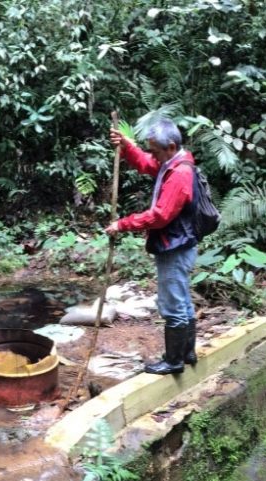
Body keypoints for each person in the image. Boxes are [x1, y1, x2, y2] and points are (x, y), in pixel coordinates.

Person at [106, 118, 200, 375]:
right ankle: (187, 353)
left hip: (175, 247)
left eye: (156, 151)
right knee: (181, 300)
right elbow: (147, 164)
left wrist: (123, 224)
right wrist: (127, 147)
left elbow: (160, 215)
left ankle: (173, 361)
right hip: (178, 243)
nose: (152, 156)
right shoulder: (171, 163)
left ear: (170, 147)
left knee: (173, 304)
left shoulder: (179, 173)